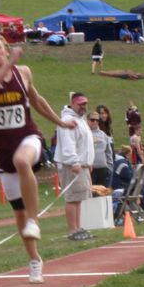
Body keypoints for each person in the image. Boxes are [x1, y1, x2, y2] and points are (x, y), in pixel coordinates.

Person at [0, 35, 73, 284]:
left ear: (6, 49)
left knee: (22, 161)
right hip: (2, 149)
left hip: (29, 137)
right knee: (17, 210)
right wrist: (9, 64)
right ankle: (34, 259)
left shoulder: (24, 72)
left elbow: (37, 100)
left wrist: (60, 123)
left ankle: (34, 219)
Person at [56, 93, 95, 241]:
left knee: (79, 197)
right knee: (72, 197)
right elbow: (68, 144)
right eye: (80, 104)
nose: (83, 107)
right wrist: (75, 162)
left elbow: (85, 143)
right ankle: (72, 230)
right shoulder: (68, 120)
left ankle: (78, 227)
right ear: (72, 104)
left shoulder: (81, 120)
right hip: (72, 165)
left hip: (82, 164)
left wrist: (88, 161)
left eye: (85, 104)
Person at [88, 111, 112, 187]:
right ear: (87, 120)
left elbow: (108, 152)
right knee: (90, 195)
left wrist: (109, 167)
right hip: (89, 170)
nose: (95, 122)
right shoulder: (84, 133)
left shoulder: (103, 134)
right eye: (92, 120)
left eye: (97, 120)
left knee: (102, 194)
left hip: (103, 169)